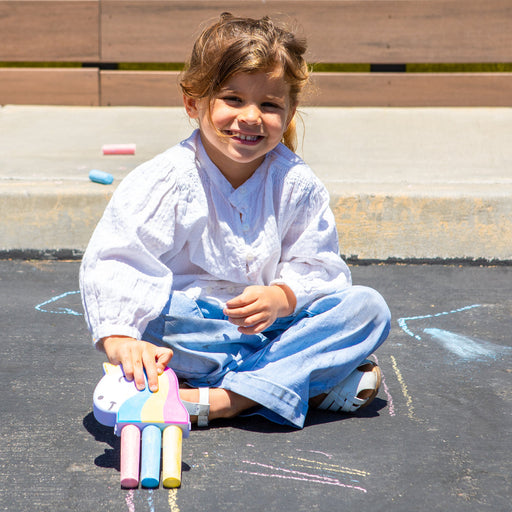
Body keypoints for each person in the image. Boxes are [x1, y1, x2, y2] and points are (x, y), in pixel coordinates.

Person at [80, 13, 391, 429]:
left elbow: (318, 266)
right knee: (153, 315)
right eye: (233, 99)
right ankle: (291, 382)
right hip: (195, 335)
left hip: (269, 332)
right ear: (194, 102)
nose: (250, 117)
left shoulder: (295, 183)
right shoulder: (168, 179)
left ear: (290, 110)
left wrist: (282, 297)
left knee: (367, 309)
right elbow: (119, 258)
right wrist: (120, 341)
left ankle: (223, 399)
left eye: (269, 105)